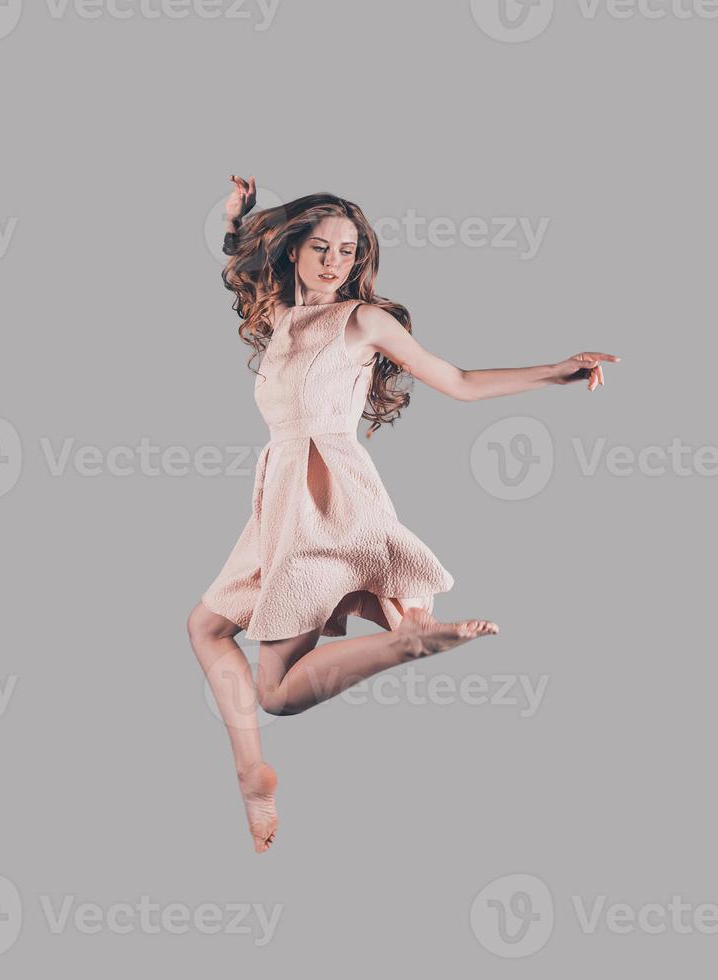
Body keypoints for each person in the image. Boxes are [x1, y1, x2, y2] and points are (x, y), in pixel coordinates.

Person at [188, 175, 620, 852]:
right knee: (207, 628)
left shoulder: (361, 320)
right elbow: (237, 272)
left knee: (271, 691)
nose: (335, 262)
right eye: (322, 248)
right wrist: (235, 220)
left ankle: (405, 643)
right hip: (278, 501)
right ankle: (253, 771)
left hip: (325, 499)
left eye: (348, 251)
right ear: (292, 249)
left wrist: (552, 372)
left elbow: (456, 382)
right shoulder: (279, 317)